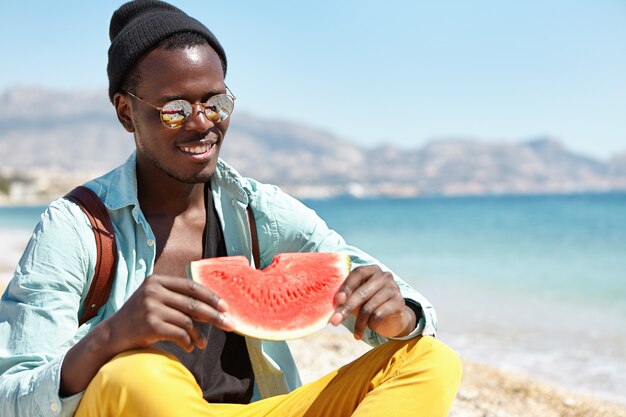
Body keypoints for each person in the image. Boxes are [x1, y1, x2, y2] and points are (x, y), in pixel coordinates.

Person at [0, 1, 462, 416]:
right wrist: (110, 337)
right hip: (139, 402)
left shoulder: (259, 211)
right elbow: (9, 394)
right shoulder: (77, 227)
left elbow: (379, 293)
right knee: (136, 374)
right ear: (126, 113)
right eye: (174, 109)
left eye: (215, 102)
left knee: (427, 358)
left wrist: (398, 317)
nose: (203, 124)